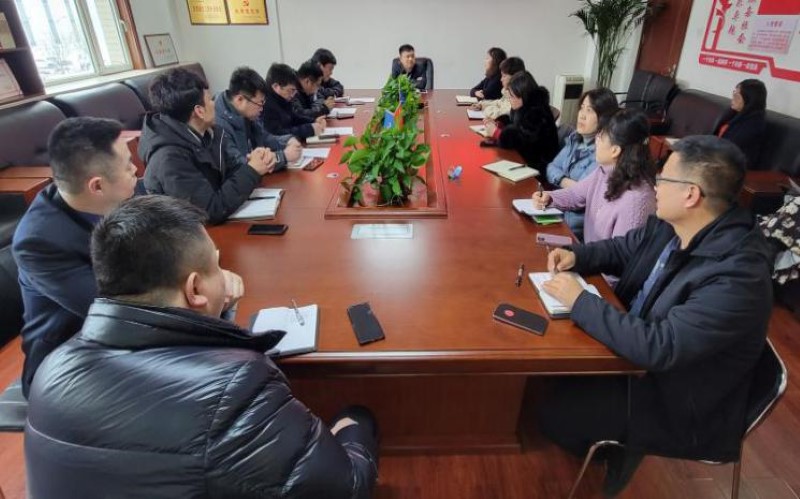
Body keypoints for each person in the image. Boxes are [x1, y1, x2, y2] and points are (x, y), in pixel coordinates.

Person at [25, 195, 380, 499]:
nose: (224, 275)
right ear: (194, 288)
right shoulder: (236, 389)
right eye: (217, 265)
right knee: (358, 416)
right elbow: (346, 487)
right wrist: (353, 426)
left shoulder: (51, 369)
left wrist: (217, 312)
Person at [537, 135, 773, 495]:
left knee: (552, 412)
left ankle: (616, 455)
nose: (655, 186)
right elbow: (623, 248)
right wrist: (578, 256)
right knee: (548, 376)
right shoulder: (673, 224)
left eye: (663, 178)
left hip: (678, 399)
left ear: (691, 194)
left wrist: (580, 301)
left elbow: (661, 346)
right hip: (640, 359)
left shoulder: (738, 276)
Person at [12, 117, 137, 397]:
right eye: (128, 165)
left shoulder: (118, 194)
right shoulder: (38, 242)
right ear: (97, 186)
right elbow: (116, 310)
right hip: (68, 364)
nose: (136, 170)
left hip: (120, 340)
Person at [140, 68, 274, 225]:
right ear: (199, 111)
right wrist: (251, 171)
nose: (214, 103)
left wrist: (255, 162)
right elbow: (209, 211)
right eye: (210, 100)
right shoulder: (169, 158)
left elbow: (233, 171)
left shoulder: (211, 132)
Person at [533, 108, 655, 245]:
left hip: (596, 256)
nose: (596, 140)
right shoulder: (604, 171)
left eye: (600, 137)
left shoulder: (634, 202)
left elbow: (618, 254)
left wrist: (579, 255)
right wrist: (550, 198)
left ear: (615, 150)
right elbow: (575, 194)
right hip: (588, 251)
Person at [545, 88, 620, 240]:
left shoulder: (603, 155)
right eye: (582, 108)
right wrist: (564, 181)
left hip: (573, 227)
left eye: (589, 110)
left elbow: (584, 195)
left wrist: (566, 184)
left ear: (604, 117)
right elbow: (550, 168)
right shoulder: (575, 139)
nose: (582, 115)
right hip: (556, 210)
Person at [214, 66, 303, 172]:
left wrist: (288, 140)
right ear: (240, 100)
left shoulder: (246, 114)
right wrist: (283, 157)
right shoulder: (219, 125)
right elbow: (240, 167)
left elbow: (265, 138)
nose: (262, 108)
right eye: (259, 103)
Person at [484, 71, 559, 171]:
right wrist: (500, 123)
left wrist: (497, 133)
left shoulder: (537, 113)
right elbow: (515, 124)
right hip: (524, 159)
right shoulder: (523, 106)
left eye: (512, 96)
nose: (509, 99)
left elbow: (523, 141)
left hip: (538, 166)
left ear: (523, 96)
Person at [262, 62, 326, 139]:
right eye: (291, 90)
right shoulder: (267, 105)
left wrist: (314, 121)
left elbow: (294, 118)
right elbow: (278, 134)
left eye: (294, 91)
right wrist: (309, 129)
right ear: (276, 86)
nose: (293, 95)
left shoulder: (282, 99)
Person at [714, 78, 767, 168]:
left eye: (737, 96)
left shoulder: (754, 125)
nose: (733, 98)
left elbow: (729, 148)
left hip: (733, 166)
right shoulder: (734, 113)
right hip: (718, 159)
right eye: (733, 93)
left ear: (749, 100)